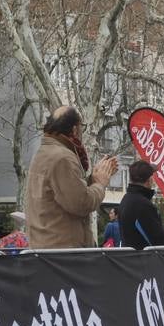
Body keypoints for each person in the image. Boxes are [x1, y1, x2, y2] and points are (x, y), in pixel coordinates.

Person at [25, 105, 118, 249]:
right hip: (64, 254)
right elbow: (81, 203)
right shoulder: (62, 158)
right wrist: (100, 184)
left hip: (48, 250)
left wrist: (93, 179)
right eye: (82, 127)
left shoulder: (44, 153)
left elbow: (67, 195)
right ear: (75, 129)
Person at [119, 160, 164, 250]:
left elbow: (151, 234)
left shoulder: (126, 199)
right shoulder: (143, 205)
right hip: (144, 260)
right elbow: (160, 243)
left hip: (130, 259)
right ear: (149, 180)